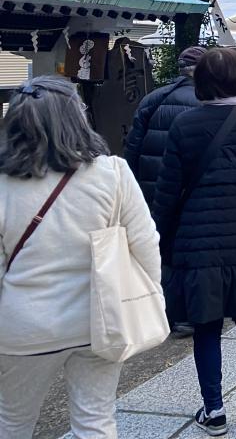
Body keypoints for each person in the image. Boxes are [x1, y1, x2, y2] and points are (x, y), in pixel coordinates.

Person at [0, 76, 161, 438]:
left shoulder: (4, 184)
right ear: (76, 118)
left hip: (22, 327)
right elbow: (145, 243)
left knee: (13, 422)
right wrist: (149, 296)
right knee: (95, 421)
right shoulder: (112, 173)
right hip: (98, 319)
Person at [153, 48, 236, 435]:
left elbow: (167, 191)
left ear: (201, 82)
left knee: (206, 326)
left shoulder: (184, 125)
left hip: (197, 241)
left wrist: (157, 239)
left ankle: (215, 411)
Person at [124, 45, 206, 206]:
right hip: (192, 190)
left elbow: (132, 148)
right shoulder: (206, 101)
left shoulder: (152, 99)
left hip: (151, 188)